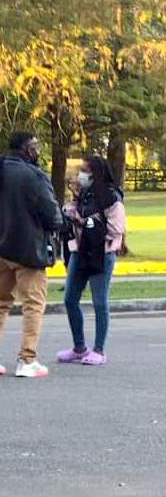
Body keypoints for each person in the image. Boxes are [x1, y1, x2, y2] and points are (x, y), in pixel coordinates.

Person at [0, 132, 64, 377]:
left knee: (1, 303)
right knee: (33, 304)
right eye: (35, 146)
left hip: (2, 247)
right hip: (28, 248)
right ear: (27, 149)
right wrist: (59, 224)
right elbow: (51, 213)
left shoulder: (2, 169)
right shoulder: (33, 175)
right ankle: (27, 359)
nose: (38, 151)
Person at [56, 156, 126, 366]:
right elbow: (76, 213)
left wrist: (84, 220)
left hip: (101, 254)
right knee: (70, 299)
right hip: (80, 252)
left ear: (96, 173)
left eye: (85, 170)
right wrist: (71, 213)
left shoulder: (112, 198)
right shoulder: (83, 194)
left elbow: (116, 229)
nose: (81, 174)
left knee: (99, 301)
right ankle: (79, 347)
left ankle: (99, 350)